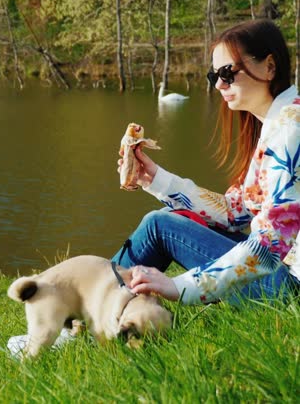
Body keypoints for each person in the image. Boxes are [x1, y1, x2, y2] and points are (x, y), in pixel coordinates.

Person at [112, 19, 299, 305]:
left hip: (290, 289)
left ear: (270, 66)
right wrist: (153, 178)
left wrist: (182, 286)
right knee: (161, 222)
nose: (220, 85)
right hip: (282, 273)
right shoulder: (280, 123)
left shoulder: (290, 131)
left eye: (228, 72)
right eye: (214, 77)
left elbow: (270, 244)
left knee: (158, 226)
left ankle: (78, 316)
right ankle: (86, 312)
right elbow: (235, 212)